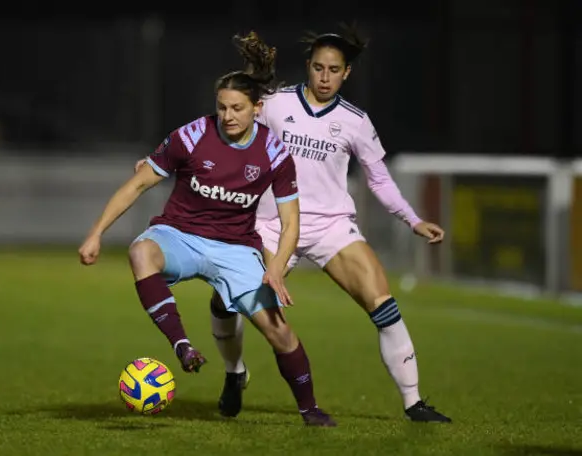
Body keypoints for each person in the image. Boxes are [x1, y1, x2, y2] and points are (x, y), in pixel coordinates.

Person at [137, 25, 451, 423]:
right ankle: (234, 374)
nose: (324, 77)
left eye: (333, 70)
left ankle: (414, 402)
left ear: (346, 73)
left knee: (382, 302)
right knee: (226, 300)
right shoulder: (275, 103)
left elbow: (378, 177)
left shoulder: (356, 121)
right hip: (270, 224)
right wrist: (155, 163)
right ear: (308, 66)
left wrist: (412, 218)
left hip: (331, 225)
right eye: (318, 67)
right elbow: (223, 118)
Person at [79, 31, 335, 427]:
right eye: (222, 107)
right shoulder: (193, 135)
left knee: (279, 332)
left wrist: (276, 267)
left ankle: (310, 410)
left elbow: (291, 222)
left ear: (257, 108)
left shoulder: (274, 153)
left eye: (236, 108)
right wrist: (96, 232)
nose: (228, 116)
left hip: (235, 248)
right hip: (179, 235)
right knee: (140, 251)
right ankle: (182, 345)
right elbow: (137, 184)